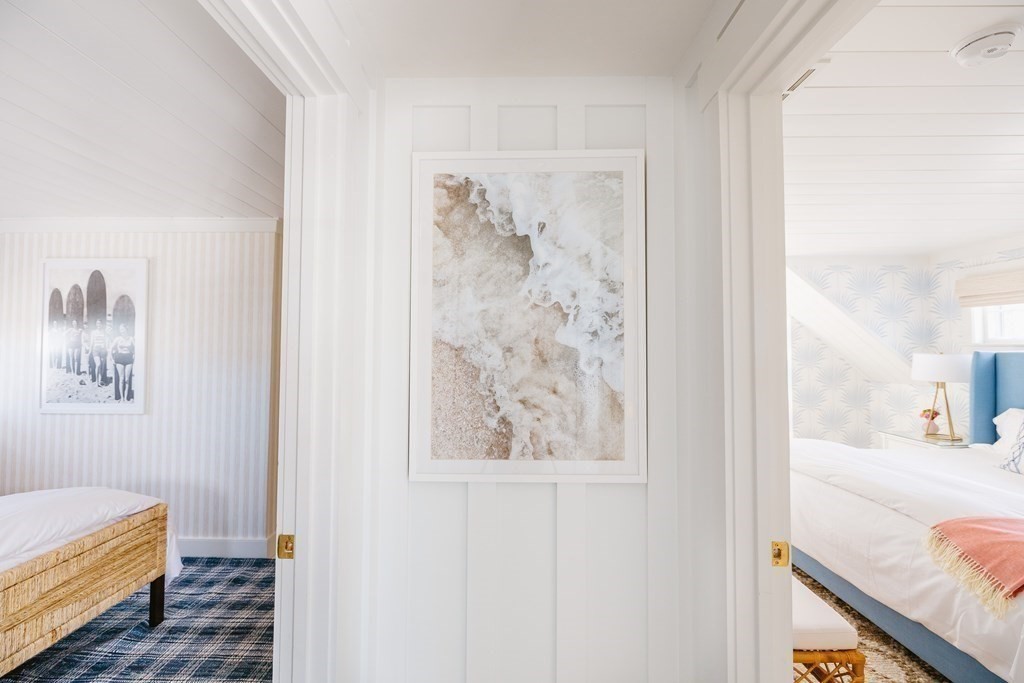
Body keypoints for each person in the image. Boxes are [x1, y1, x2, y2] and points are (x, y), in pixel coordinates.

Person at [111, 324, 135, 402]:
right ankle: (122, 398)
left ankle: (127, 396)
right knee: (121, 379)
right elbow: (111, 349)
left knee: (127, 379)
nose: (122, 331)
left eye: (123, 329)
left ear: (126, 329)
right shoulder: (117, 339)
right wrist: (112, 359)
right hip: (119, 358)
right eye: (120, 330)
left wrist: (134, 355)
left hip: (128, 359)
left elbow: (136, 348)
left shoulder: (131, 338)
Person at [88, 319, 107, 385]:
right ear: (96, 324)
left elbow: (105, 342)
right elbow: (91, 342)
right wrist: (90, 352)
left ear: (101, 324)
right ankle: (97, 382)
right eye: (97, 323)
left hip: (102, 350)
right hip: (95, 350)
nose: (99, 325)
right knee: (98, 364)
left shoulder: (103, 332)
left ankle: (101, 380)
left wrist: (106, 350)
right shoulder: (93, 332)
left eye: (100, 323)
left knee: (102, 365)